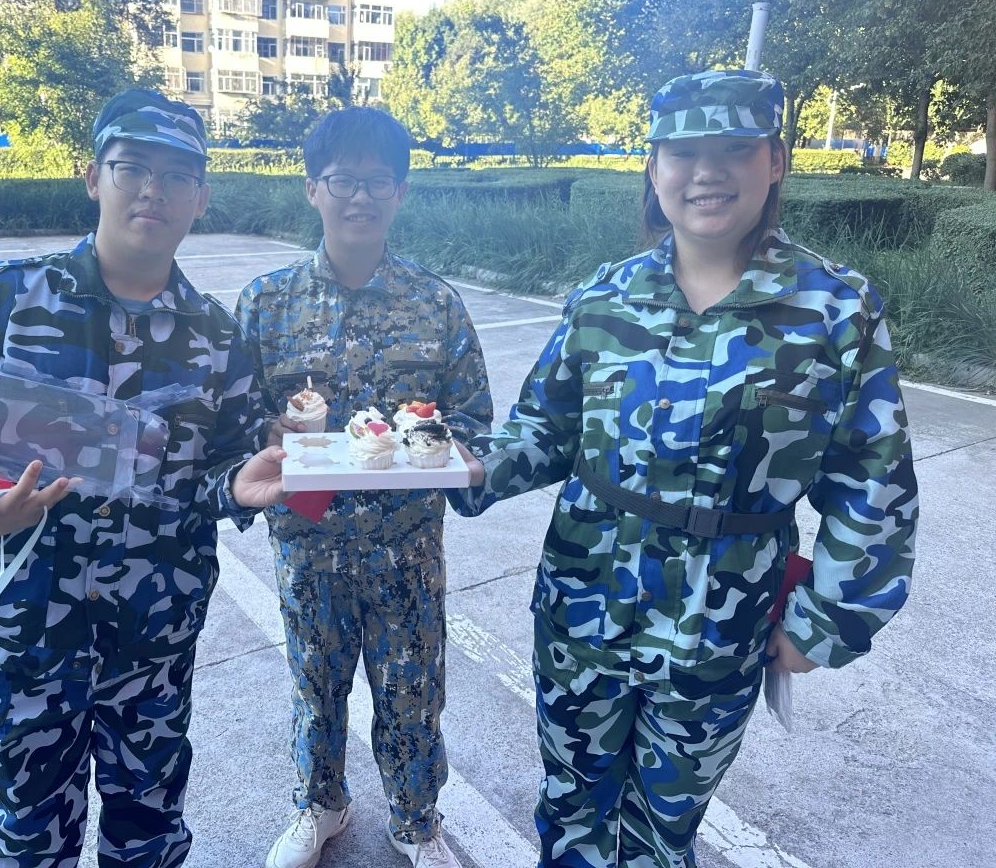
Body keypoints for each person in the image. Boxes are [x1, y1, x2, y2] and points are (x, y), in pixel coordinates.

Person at [450, 69, 918, 868]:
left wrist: (827, 621)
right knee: (570, 810)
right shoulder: (605, 298)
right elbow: (546, 428)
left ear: (775, 160)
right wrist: (470, 468)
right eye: (683, 152)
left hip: (719, 627)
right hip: (583, 609)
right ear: (654, 166)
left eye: (734, 148)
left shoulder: (836, 310)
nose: (707, 172)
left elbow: (873, 486)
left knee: (663, 831)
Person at [0, 88, 287, 868]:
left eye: (177, 176)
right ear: (92, 176)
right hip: (23, 633)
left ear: (201, 197)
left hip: (152, 635)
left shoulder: (219, 337)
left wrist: (239, 486)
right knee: (26, 831)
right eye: (132, 167)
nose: (153, 191)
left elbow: (224, 464)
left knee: (149, 826)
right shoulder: (8, 299)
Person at [234, 107, 493, 868]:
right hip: (307, 544)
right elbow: (231, 420)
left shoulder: (435, 304)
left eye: (378, 182)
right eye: (343, 180)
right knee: (315, 687)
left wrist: (453, 451)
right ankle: (321, 805)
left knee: (413, 692)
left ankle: (416, 820)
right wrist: (270, 432)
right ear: (313, 188)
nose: (360, 197)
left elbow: (473, 418)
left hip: (406, 547)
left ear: (401, 192)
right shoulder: (266, 303)